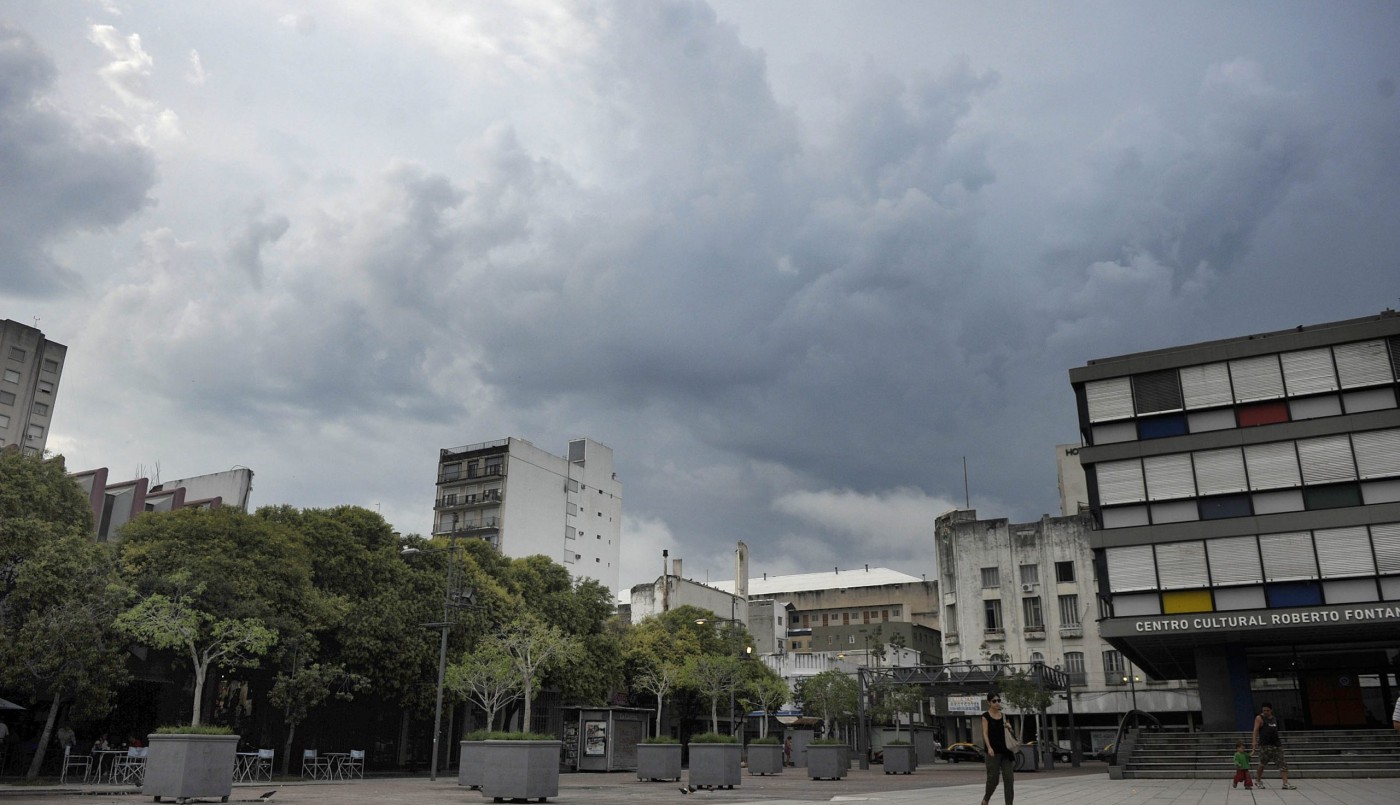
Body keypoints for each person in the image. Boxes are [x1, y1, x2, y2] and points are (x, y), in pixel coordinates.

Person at [1251, 702, 1295, 790]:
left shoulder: (1274, 719)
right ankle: (1258, 780)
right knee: (1262, 764)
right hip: (1265, 745)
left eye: (1267, 710)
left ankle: (1285, 783)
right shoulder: (1259, 718)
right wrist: (1254, 742)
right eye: (1264, 710)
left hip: (1276, 745)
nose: (1266, 712)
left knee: (1283, 764)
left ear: (1271, 710)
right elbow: (1255, 731)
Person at [980, 693, 1014, 805]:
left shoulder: (1004, 716)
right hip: (993, 752)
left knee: (1009, 780)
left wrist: (1010, 728)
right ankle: (986, 799)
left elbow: (1011, 734)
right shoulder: (986, 716)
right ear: (989, 702)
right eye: (994, 701)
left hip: (1006, 752)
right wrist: (989, 747)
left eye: (998, 700)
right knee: (993, 780)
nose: (997, 703)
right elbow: (985, 733)